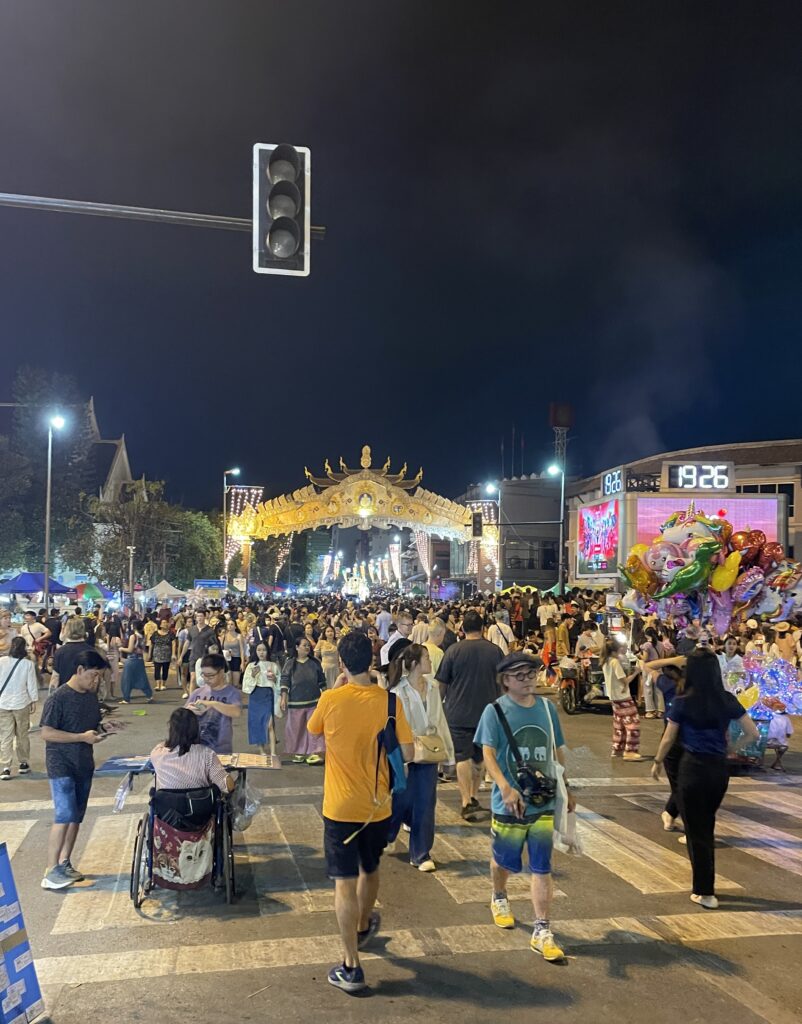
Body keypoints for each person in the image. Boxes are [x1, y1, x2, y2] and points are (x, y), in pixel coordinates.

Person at [307, 631, 413, 994]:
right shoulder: (390, 702)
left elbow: (313, 729)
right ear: (371, 659)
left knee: (343, 884)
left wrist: (338, 687)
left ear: (340, 662)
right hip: (378, 807)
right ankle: (365, 923)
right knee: (371, 868)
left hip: (339, 808)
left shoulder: (330, 699)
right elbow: (410, 754)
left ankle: (351, 965)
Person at [475, 651, 574, 961]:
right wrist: (504, 788)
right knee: (503, 861)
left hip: (542, 802)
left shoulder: (547, 708)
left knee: (542, 867)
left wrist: (566, 788)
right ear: (505, 681)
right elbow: (488, 755)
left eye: (531, 674)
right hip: (509, 804)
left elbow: (557, 751)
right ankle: (499, 895)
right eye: (520, 675)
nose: (528, 680)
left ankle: (542, 929)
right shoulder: (494, 711)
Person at [652, 649, 759, 908]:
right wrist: (731, 748)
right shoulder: (725, 698)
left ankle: (705, 891)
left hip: (693, 769)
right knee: (704, 826)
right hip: (719, 771)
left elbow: (669, 737)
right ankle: (705, 887)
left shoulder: (683, 700)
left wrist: (657, 762)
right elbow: (753, 733)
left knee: (698, 832)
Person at [39, 648, 113, 890]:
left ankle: (65, 863)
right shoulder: (58, 697)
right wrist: (81, 736)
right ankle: (50, 871)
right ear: (80, 670)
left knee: (76, 817)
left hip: (84, 763)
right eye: (94, 675)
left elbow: (90, 728)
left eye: (100, 676)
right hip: (61, 763)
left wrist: (104, 728)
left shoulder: (90, 697)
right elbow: (47, 733)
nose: (96, 681)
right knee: (64, 815)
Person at [386, 644, 454, 871]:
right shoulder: (398, 692)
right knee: (400, 800)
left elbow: (441, 720)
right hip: (407, 752)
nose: (430, 661)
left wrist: (449, 756)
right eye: (426, 657)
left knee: (426, 803)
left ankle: (421, 853)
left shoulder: (433, 687)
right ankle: (388, 833)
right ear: (414, 663)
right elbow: (394, 727)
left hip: (430, 752)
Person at [436, 609, 503, 820]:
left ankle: (466, 801)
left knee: (462, 757)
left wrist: (438, 709)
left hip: (458, 713)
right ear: (483, 629)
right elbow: (503, 683)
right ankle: (473, 796)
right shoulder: (495, 651)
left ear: (462, 629)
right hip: (488, 713)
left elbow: (441, 684)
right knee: (480, 758)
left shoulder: (454, 650)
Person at [150, 708, 235, 793]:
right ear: (196, 729)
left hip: (167, 805)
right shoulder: (206, 754)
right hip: (199, 805)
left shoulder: (157, 754)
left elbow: (163, 744)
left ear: (171, 729)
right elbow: (227, 787)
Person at [280, 637, 327, 764]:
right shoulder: (290, 663)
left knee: (313, 728)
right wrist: (283, 697)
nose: (307, 647)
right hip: (295, 702)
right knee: (297, 728)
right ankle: (300, 752)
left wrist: (325, 693)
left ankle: (314, 752)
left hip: (314, 701)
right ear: (296, 647)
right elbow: (285, 680)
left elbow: (322, 680)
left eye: (308, 645)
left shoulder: (315, 663)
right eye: (304, 645)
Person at [187, 653, 243, 756]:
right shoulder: (197, 693)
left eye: (211, 675)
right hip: (196, 748)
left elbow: (236, 712)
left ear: (221, 672)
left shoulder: (232, 693)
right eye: (204, 675)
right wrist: (189, 711)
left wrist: (212, 704)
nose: (206, 679)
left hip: (221, 749)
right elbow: (183, 715)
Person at [0, 636, 39, 780]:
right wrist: (33, 701)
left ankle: (6, 767)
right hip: (21, 703)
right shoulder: (27, 664)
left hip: (3, 703)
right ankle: (23, 763)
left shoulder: (1, 662)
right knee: (22, 734)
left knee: (5, 735)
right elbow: (31, 684)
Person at [600, 640, 643, 760]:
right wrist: (636, 672)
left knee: (619, 725)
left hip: (614, 698)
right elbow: (624, 681)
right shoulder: (614, 662)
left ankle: (618, 749)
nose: (623, 650)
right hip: (623, 697)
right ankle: (630, 751)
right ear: (615, 650)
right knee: (633, 723)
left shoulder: (605, 661)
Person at [242, 642, 281, 758]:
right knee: (257, 723)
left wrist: (274, 679)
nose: (261, 652)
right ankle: (262, 750)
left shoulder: (273, 665)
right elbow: (246, 685)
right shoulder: (251, 666)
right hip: (255, 695)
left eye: (264, 650)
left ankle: (273, 752)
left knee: (270, 724)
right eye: (259, 650)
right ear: (255, 651)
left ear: (267, 651)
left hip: (268, 694)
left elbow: (279, 681)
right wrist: (254, 676)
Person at [50, 617, 92, 690]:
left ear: (67, 630)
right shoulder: (91, 651)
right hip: (87, 693)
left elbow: (55, 678)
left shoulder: (60, 652)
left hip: (65, 693)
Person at [118, 620, 153, 704]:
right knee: (142, 678)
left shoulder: (133, 636)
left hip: (131, 661)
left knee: (126, 680)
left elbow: (130, 649)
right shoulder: (142, 636)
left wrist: (121, 648)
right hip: (140, 660)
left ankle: (126, 698)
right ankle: (149, 695)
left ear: (134, 626)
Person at [149, 619, 175, 691]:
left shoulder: (170, 633)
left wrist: (173, 654)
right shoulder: (155, 633)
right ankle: (158, 685)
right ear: (160, 624)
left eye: (166, 622)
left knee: (165, 669)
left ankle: (163, 684)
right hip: (157, 654)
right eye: (163, 622)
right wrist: (149, 654)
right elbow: (151, 644)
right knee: (157, 669)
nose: (165, 624)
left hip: (167, 654)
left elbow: (173, 643)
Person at [222, 619, 246, 687]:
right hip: (226, 660)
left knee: (235, 684)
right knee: (227, 683)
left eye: (232, 624)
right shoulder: (224, 636)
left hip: (236, 659)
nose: (230, 626)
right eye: (228, 624)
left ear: (235, 626)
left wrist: (242, 663)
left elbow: (242, 650)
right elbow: (221, 648)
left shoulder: (239, 636)